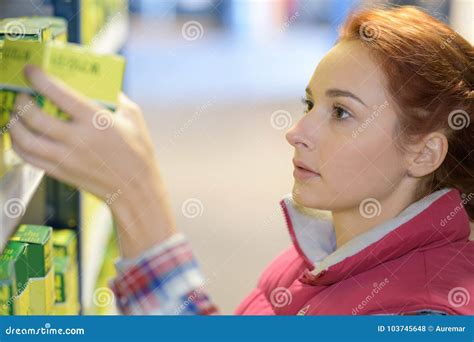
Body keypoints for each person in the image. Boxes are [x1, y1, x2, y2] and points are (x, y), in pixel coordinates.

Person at [9, 6, 473, 315]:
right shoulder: (321, 253)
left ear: (423, 152)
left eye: (341, 112)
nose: (297, 132)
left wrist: (136, 195)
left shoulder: (427, 313)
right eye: (309, 105)